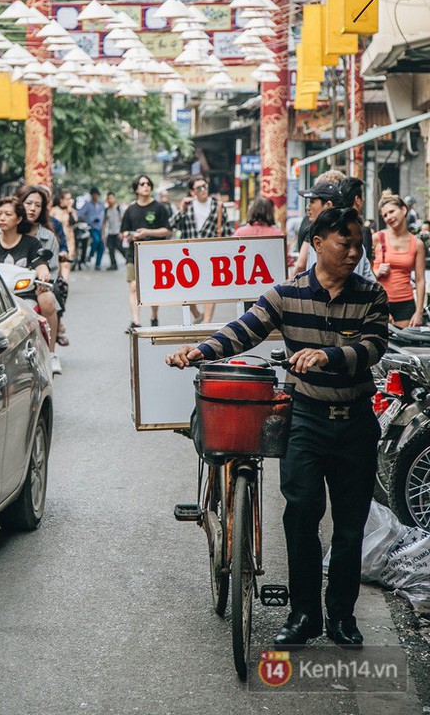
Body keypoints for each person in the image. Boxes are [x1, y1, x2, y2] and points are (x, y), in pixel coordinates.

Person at [167, 207, 388, 649]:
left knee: (350, 524)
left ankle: (341, 616)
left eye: (358, 243)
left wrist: (328, 356)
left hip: (356, 422)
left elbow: (374, 346)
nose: (353, 251)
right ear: (317, 242)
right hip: (304, 419)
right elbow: (243, 330)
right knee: (301, 514)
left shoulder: (371, 294)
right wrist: (200, 350)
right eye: (345, 242)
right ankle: (305, 614)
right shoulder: (284, 294)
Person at [0, 196, 61, 374]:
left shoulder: (31, 243)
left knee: (48, 299)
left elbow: (40, 262)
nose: (2, 217)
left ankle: (51, 353)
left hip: (26, 295)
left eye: (7, 214)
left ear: (18, 219)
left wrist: (43, 273)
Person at [170, 174, 226, 324]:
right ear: (192, 191)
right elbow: (172, 225)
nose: (203, 190)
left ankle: (206, 323)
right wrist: (181, 209)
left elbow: (226, 231)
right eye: (199, 188)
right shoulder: (187, 207)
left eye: (205, 186)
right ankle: (197, 315)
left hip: (212, 253)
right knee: (184, 287)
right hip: (189, 254)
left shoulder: (218, 205)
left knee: (211, 288)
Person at [120, 173, 172, 329]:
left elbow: (168, 230)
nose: (146, 186)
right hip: (133, 254)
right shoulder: (130, 209)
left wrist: (148, 232)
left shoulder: (159, 207)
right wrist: (129, 236)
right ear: (136, 188)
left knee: (153, 288)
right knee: (133, 287)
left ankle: (154, 317)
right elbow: (123, 232)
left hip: (154, 255)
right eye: (142, 184)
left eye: (148, 184)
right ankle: (136, 321)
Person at [373, 190, 426, 327]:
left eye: (391, 212)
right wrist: (376, 272)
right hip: (379, 302)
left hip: (406, 304)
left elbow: (420, 280)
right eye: (385, 215)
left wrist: (419, 311)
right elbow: (363, 273)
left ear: (403, 210)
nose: (388, 217)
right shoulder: (378, 239)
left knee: (404, 346)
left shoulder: (417, 244)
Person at [78, 187, 105, 270]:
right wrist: (86, 219)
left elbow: (104, 216)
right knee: (96, 240)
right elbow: (79, 213)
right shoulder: (87, 204)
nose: (95, 196)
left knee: (101, 246)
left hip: (100, 227)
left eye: (96, 195)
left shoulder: (101, 204)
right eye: (93, 195)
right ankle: (90, 255)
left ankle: (98, 264)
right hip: (91, 227)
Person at [103, 192, 124, 271]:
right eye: (109, 198)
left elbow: (123, 221)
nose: (110, 200)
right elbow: (104, 223)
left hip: (118, 232)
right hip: (110, 232)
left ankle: (129, 261)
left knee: (120, 248)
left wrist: (122, 232)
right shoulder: (107, 210)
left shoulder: (119, 208)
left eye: (112, 198)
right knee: (110, 249)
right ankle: (113, 264)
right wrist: (103, 234)